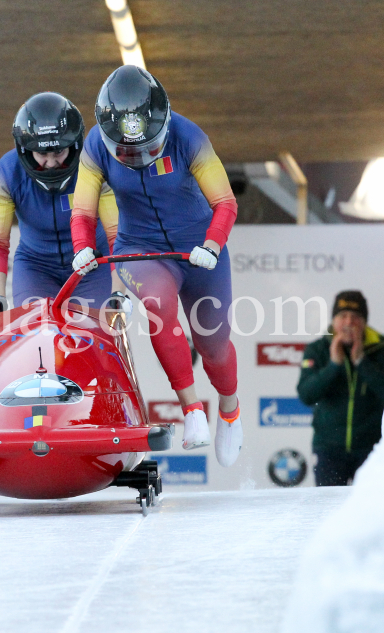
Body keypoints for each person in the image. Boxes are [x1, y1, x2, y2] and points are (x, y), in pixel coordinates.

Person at [68, 65, 243, 467]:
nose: (139, 159)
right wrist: (82, 247)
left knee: (213, 345)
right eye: (127, 153)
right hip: (140, 248)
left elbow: (225, 203)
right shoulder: (95, 146)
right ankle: (192, 410)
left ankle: (229, 411)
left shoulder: (189, 137)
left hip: (200, 249)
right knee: (159, 307)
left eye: (148, 148)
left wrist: (213, 245)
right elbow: (83, 209)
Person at [0, 92, 127, 312]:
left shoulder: (95, 164)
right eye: (42, 153)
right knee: (36, 331)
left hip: (92, 265)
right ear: (26, 150)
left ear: (74, 144)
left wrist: (118, 292)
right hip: (36, 267)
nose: (51, 163)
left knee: (95, 331)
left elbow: (117, 233)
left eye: (59, 151)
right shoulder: (6, 173)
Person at [297, 291, 384, 486]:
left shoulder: (382, 348)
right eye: (343, 316)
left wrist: (361, 361)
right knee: (327, 509)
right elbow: (306, 395)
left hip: (371, 448)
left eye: (356, 317)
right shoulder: (317, 349)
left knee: (371, 511)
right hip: (328, 448)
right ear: (334, 321)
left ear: (365, 322)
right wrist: (334, 364)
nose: (349, 322)